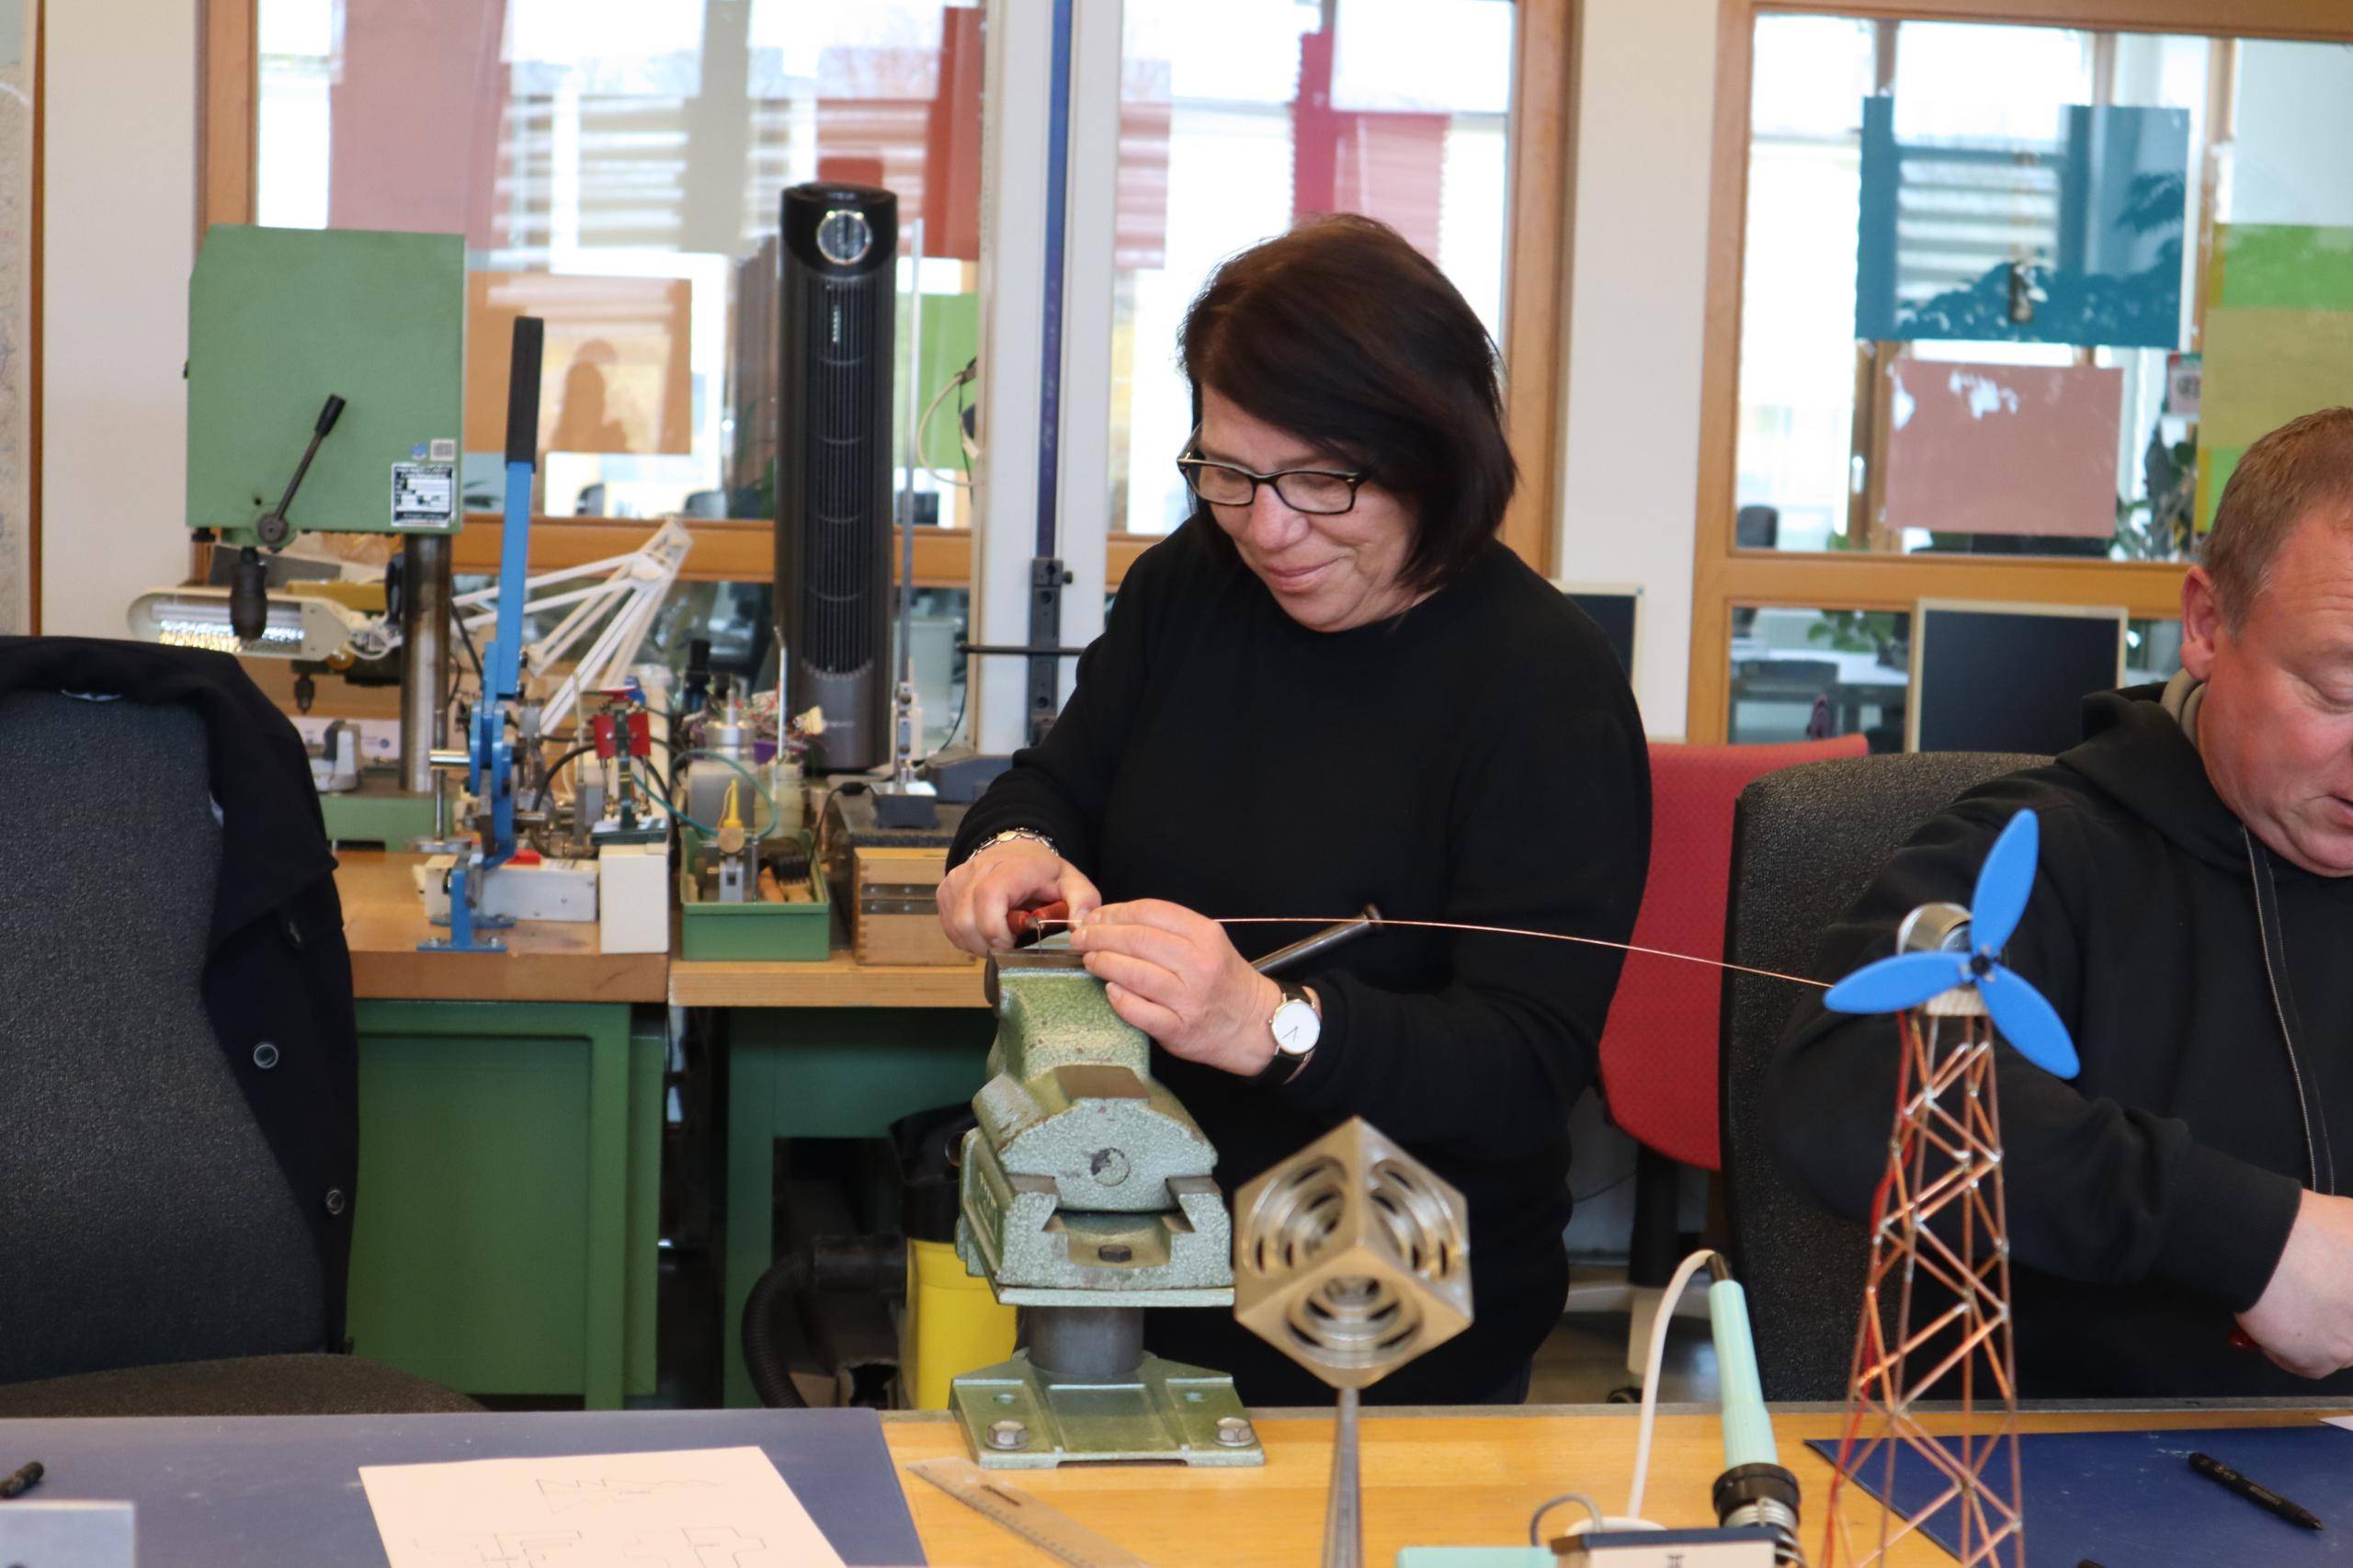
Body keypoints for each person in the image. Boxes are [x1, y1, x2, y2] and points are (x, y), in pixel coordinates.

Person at [935, 215, 1650, 1405]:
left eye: (1322, 480)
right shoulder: (1193, 586)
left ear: (1435, 453)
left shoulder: (1543, 687)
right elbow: (1058, 780)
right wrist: (1013, 847)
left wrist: (1270, 1024)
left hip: (1387, 1305)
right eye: (1229, 473)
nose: (1269, 528)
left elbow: (1525, 1062)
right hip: (1123, 1238)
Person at [1768, 407, 2353, 1398]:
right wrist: (2247, 1236)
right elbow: (1852, 1084)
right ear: (2207, 626)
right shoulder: (2043, 851)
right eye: (2336, 695)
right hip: (2096, 1460)